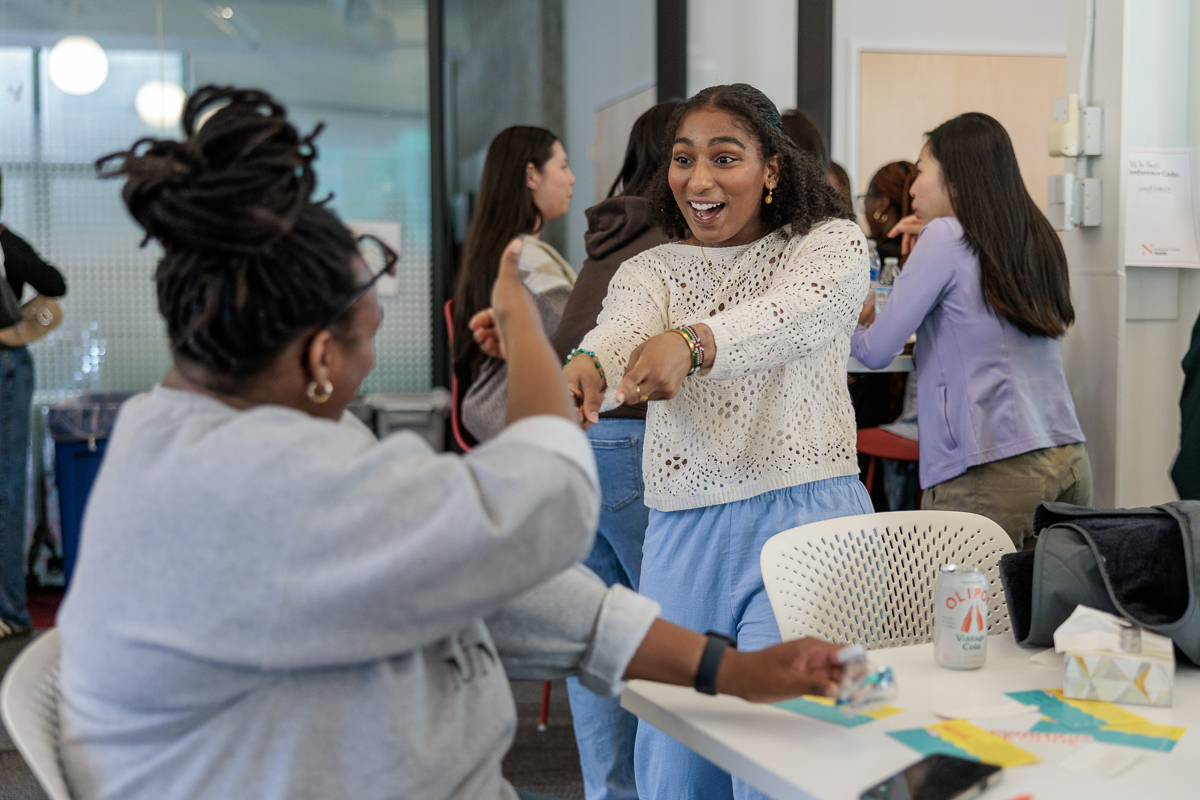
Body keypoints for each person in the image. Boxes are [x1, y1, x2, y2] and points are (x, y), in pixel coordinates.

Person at [57, 86, 848, 800]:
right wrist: (528, 329)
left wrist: (726, 670)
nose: (700, 178)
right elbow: (544, 507)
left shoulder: (166, 431)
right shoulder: (296, 487)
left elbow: (486, 583)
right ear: (318, 362)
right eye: (370, 340)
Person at [563, 84, 873, 800]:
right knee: (675, 764)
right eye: (683, 159)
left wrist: (695, 344)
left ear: (770, 169)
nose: (698, 181)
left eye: (724, 158)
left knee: (785, 756)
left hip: (809, 521)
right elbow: (618, 331)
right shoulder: (653, 269)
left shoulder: (829, 245)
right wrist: (588, 364)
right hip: (684, 528)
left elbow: (793, 315)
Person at [851, 112, 1090, 549]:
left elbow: (875, 350)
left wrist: (844, 320)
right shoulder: (1037, 237)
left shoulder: (944, 236)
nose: (912, 186)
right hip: (1067, 459)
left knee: (953, 616)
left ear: (955, 179)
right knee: (1041, 614)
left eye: (922, 171)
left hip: (989, 472)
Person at [548, 100, 676, 800]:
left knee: (594, 638)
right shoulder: (672, 242)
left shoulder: (606, 234)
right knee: (664, 635)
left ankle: (609, 792)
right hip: (631, 442)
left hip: (580, 441)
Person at [453, 125, 576, 445]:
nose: (571, 178)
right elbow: (576, 334)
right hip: (527, 424)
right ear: (532, 175)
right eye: (562, 166)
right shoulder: (526, 257)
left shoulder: (493, 249)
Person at [0, 169, 67, 640]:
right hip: (5, 362)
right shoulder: (7, 245)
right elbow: (53, 283)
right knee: (6, 486)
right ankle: (7, 611)